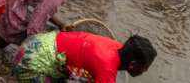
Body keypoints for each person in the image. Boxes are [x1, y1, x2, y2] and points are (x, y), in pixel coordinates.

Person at [13, 31, 157, 82]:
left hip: (37, 42)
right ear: (132, 64)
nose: (145, 72)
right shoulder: (107, 69)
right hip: (31, 62)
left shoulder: (116, 46)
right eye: (145, 68)